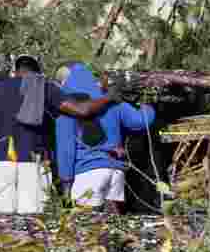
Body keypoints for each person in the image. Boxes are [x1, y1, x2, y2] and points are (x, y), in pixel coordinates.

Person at [0, 55, 117, 214]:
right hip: (34, 163)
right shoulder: (44, 87)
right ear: (38, 71)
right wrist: (109, 97)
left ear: (15, 70)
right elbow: (82, 110)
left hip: (3, 163)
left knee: (1, 219)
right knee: (32, 221)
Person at [54, 63, 155, 213]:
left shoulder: (69, 106)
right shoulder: (111, 100)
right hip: (115, 172)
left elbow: (66, 150)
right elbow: (141, 121)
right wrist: (147, 103)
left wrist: (66, 189)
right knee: (112, 229)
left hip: (88, 173)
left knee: (85, 230)